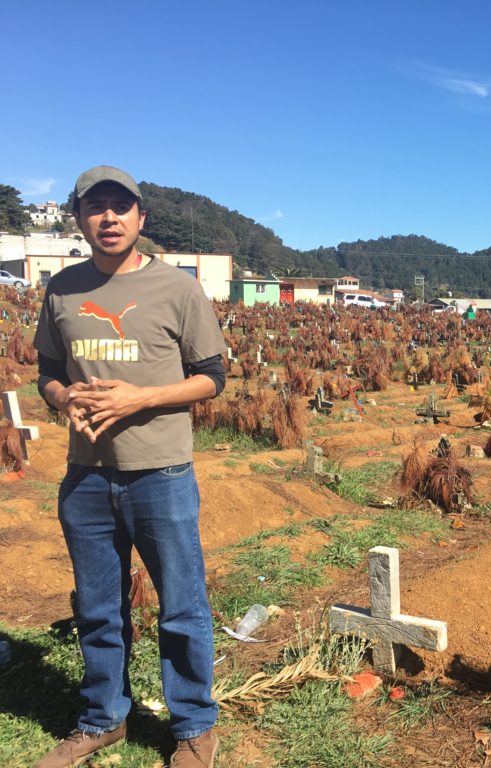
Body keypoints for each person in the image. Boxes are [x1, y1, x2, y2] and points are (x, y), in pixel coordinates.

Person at [32, 166, 226, 768]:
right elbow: (47, 372)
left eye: (121, 207)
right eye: (97, 208)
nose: (108, 218)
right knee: (96, 606)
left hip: (160, 473)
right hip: (87, 475)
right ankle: (103, 718)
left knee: (182, 605)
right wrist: (63, 399)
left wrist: (139, 398)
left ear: (141, 218)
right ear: (80, 219)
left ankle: (194, 725)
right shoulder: (62, 289)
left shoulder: (178, 288)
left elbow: (212, 379)